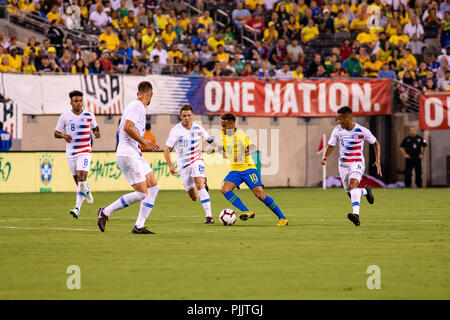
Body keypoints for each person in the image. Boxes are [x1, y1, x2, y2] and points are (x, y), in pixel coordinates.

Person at [97, 81, 160, 234]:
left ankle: (139, 226)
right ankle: (105, 212)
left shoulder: (138, 107)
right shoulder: (137, 105)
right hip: (128, 153)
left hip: (135, 153)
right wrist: (144, 141)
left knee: (153, 186)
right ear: (150, 94)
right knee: (142, 193)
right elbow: (127, 127)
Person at [217, 113, 288, 226]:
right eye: (221, 125)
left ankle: (282, 218)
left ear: (232, 124)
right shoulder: (224, 133)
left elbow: (253, 148)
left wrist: (241, 155)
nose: (222, 128)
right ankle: (246, 211)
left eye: (224, 125)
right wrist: (221, 150)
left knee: (260, 195)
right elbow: (226, 145)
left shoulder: (240, 135)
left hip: (248, 168)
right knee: (225, 189)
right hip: (235, 170)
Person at [321, 106, 382, 227]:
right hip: (343, 165)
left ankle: (356, 216)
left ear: (348, 118)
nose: (338, 122)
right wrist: (325, 157)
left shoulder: (362, 130)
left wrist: (378, 162)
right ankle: (365, 191)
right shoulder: (337, 130)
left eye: (340, 119)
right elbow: (331, 145)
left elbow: (376, 143)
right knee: (352, 194)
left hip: (357, 163)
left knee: (352, 185)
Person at [164, 105, 216, 224]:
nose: (187, 118)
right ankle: (203, 183)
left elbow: (210, 140)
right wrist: (171, 165)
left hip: (197, 160)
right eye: (184, 116)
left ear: (192, 115)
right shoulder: (176, 131)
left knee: (199, 184)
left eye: (189, 115)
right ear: (180, 116)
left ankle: (209, 217)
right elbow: (167, 149)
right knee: (194, 197)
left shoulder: (198, 128)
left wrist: (216, 148)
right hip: (183, 165)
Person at [54, 91, 100, 219]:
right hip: (71, 153)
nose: (78, 103)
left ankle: (77, 208)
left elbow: (95, 127)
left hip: (85, 151)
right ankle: (87, 189)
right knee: (78, 181)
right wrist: (64, 135)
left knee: (81, 177)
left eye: (80, 100)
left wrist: (97, 133)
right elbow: (56, 133)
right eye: (76, 101)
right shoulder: (64, 116)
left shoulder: (89, 115)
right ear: (71, 102)